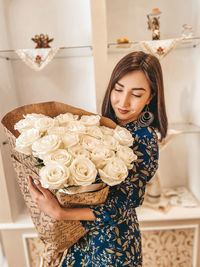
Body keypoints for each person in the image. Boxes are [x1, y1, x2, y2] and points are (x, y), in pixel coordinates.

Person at [27, 51, 168, 266]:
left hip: (112, 244)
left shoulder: (144, 138)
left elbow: (122, 206)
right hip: (83, 234)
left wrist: (60, 212)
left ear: (150, 97)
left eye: (136, 94)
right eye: (118, 89)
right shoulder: (109, 125)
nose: (123, 101)